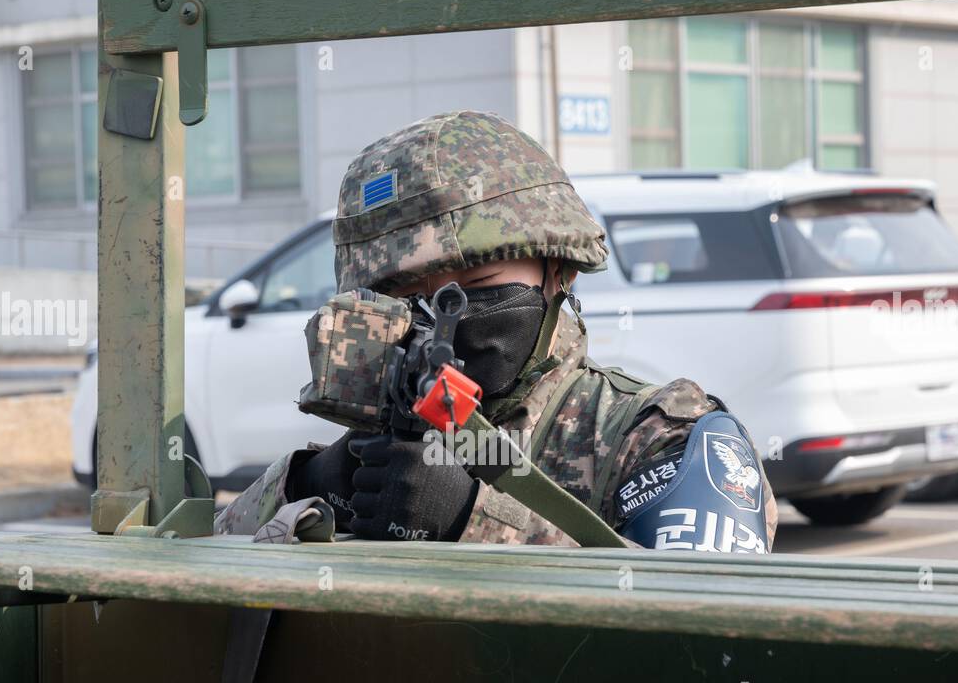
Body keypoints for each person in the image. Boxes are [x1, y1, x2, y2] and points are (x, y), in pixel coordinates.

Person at [215, 110, 776, 552]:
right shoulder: (376, 446)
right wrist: (311, 483)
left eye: (479, 279)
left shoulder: (660, 438)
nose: (440, 310)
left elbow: (703, 622)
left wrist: (472, 520)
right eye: (407, 294)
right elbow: (201, 572)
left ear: (558, 269)